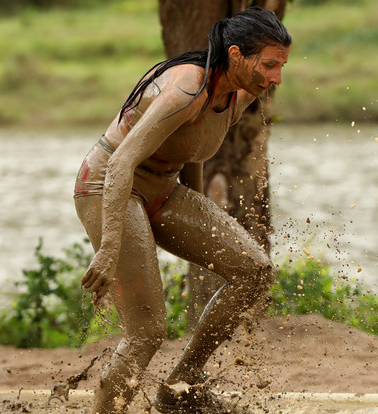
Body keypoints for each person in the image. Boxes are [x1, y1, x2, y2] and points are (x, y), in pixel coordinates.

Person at [73, 7, 291, 414]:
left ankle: (180, 390)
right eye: (269, 65)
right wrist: (109, 249)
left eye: (281, 66)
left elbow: (192, 148)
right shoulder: (186, 89)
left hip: (162, 188)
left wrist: (200, 216)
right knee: (147, 330)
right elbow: (121, 163)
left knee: (254, 271)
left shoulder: (239, 95)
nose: (276, 77)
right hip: (109, 185)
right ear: (236, 56)